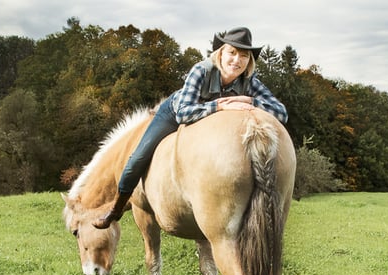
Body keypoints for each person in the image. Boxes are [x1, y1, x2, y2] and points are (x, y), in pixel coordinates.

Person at [93, 27, 288, 229]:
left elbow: (281, 113)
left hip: (208, 122)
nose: (237, 60)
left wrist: (251, 101)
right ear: (221, 53)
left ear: (249, 61)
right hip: (174, 113)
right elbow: (184, 113)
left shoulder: (249, 81)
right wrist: (219, 105)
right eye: (232, 52)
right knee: (138, 158)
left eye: (244, 56)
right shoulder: (201, 71)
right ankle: (116, 208)